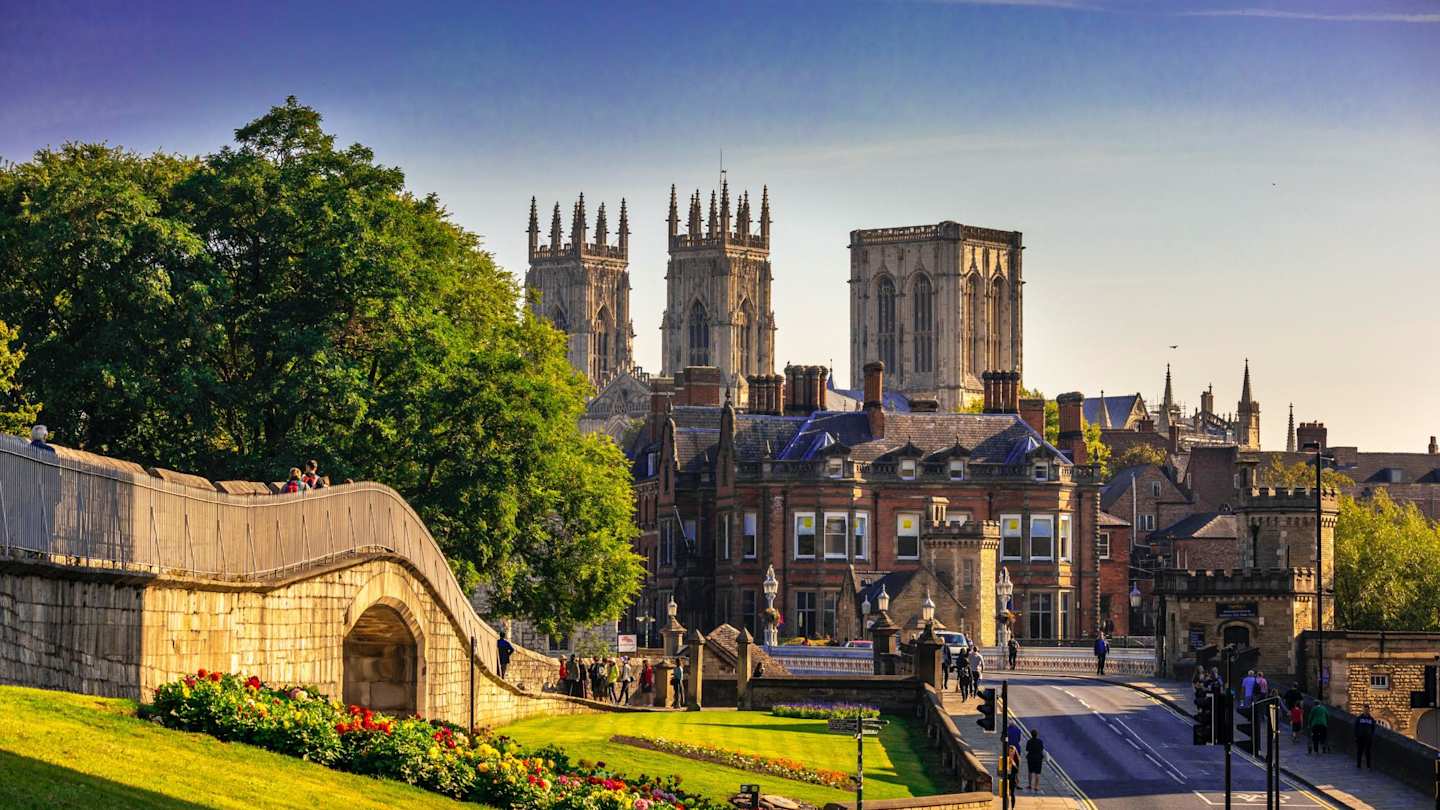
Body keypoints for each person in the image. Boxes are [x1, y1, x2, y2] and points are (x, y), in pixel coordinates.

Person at [1353, 704, 1376, 768]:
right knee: (1359, 752)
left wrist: (1371, 736)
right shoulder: (1359, 718)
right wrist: (1356, 736)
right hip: (1360, 737)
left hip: (1368, 738)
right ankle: (1359, 765)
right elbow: (1356, 727)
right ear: (1363, 710)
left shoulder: (1371, 719)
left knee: (1368, 752)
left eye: (1367, 710)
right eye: (1364, 709)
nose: (1366, 711)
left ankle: (1368, 765)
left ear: (1369, 710)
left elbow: (1373, 728)